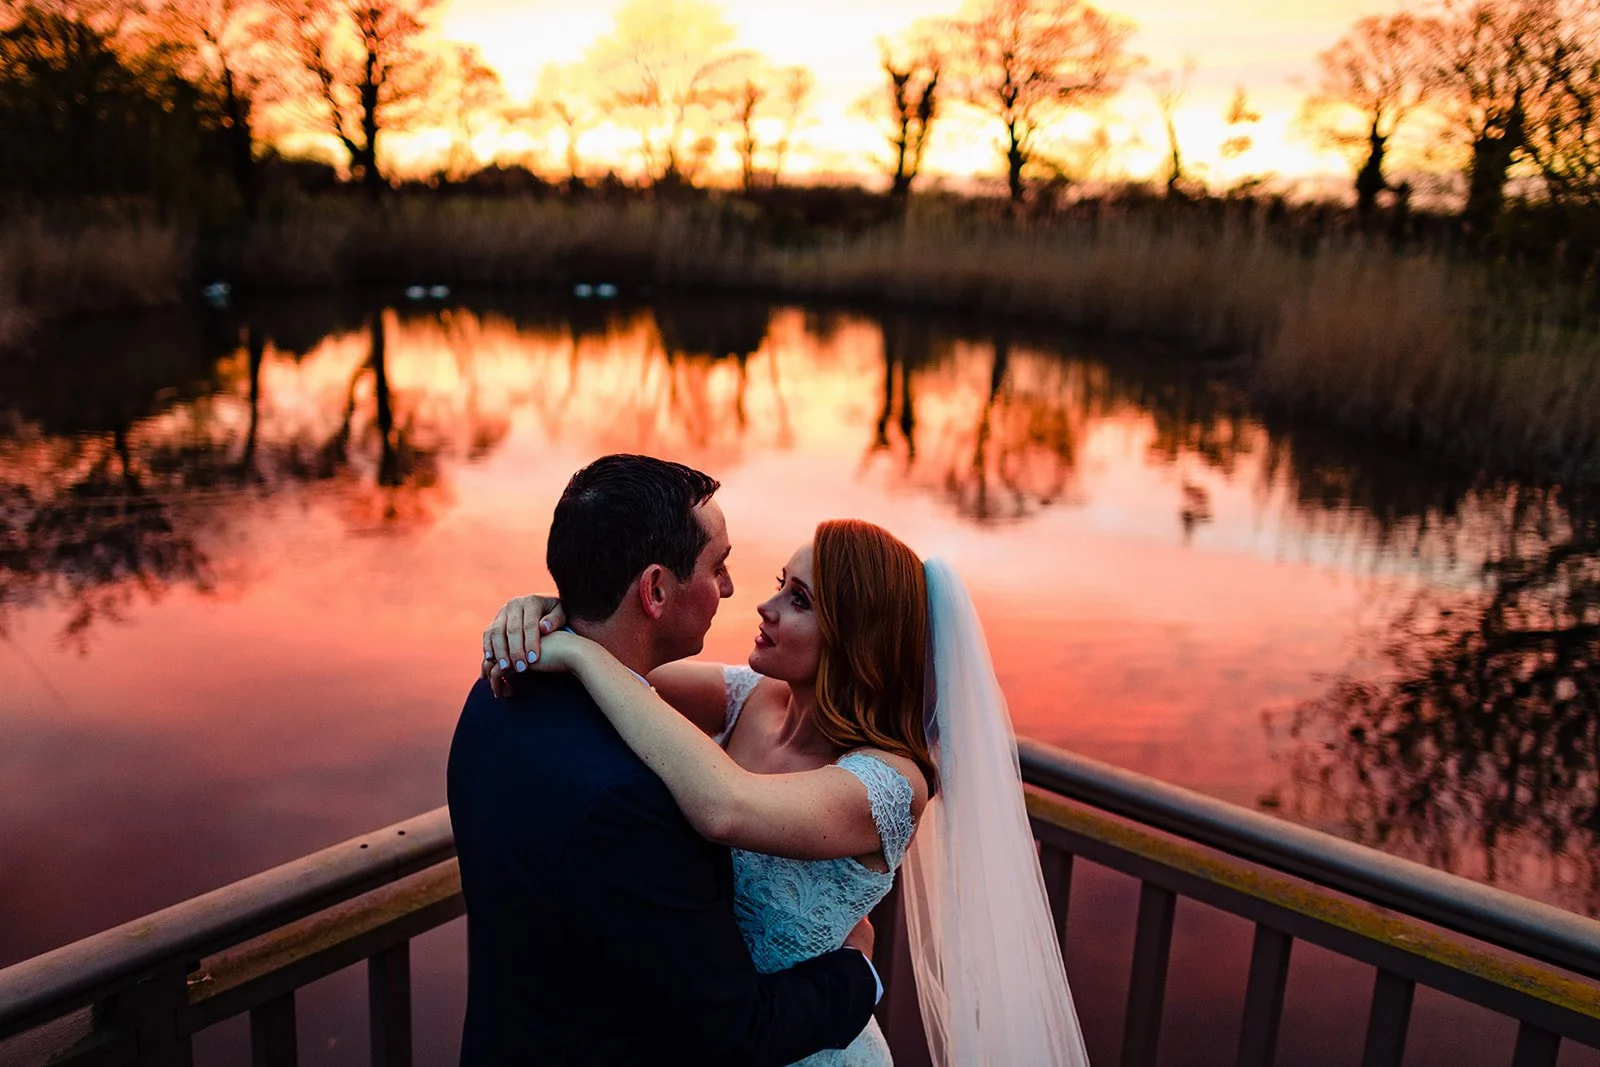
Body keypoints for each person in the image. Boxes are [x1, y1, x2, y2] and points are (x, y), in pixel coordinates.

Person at [482, 499, 1091, 1064]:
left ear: (858, 638)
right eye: (780, 585)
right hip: (710, 1028)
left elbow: (725, 807)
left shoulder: (889, 783)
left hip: (803, 1044)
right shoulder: (756, 695)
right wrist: (547, 615)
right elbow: (625, 669)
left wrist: (580, 655)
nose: (765, 607)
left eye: (799, 600)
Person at [447, 454, 880, 1067]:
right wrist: (857, 974)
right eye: (718, 566)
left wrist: (553, 615)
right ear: (654, 590)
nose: (733, 591)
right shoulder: (636, 801)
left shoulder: (495, 694)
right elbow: (733, 1031)